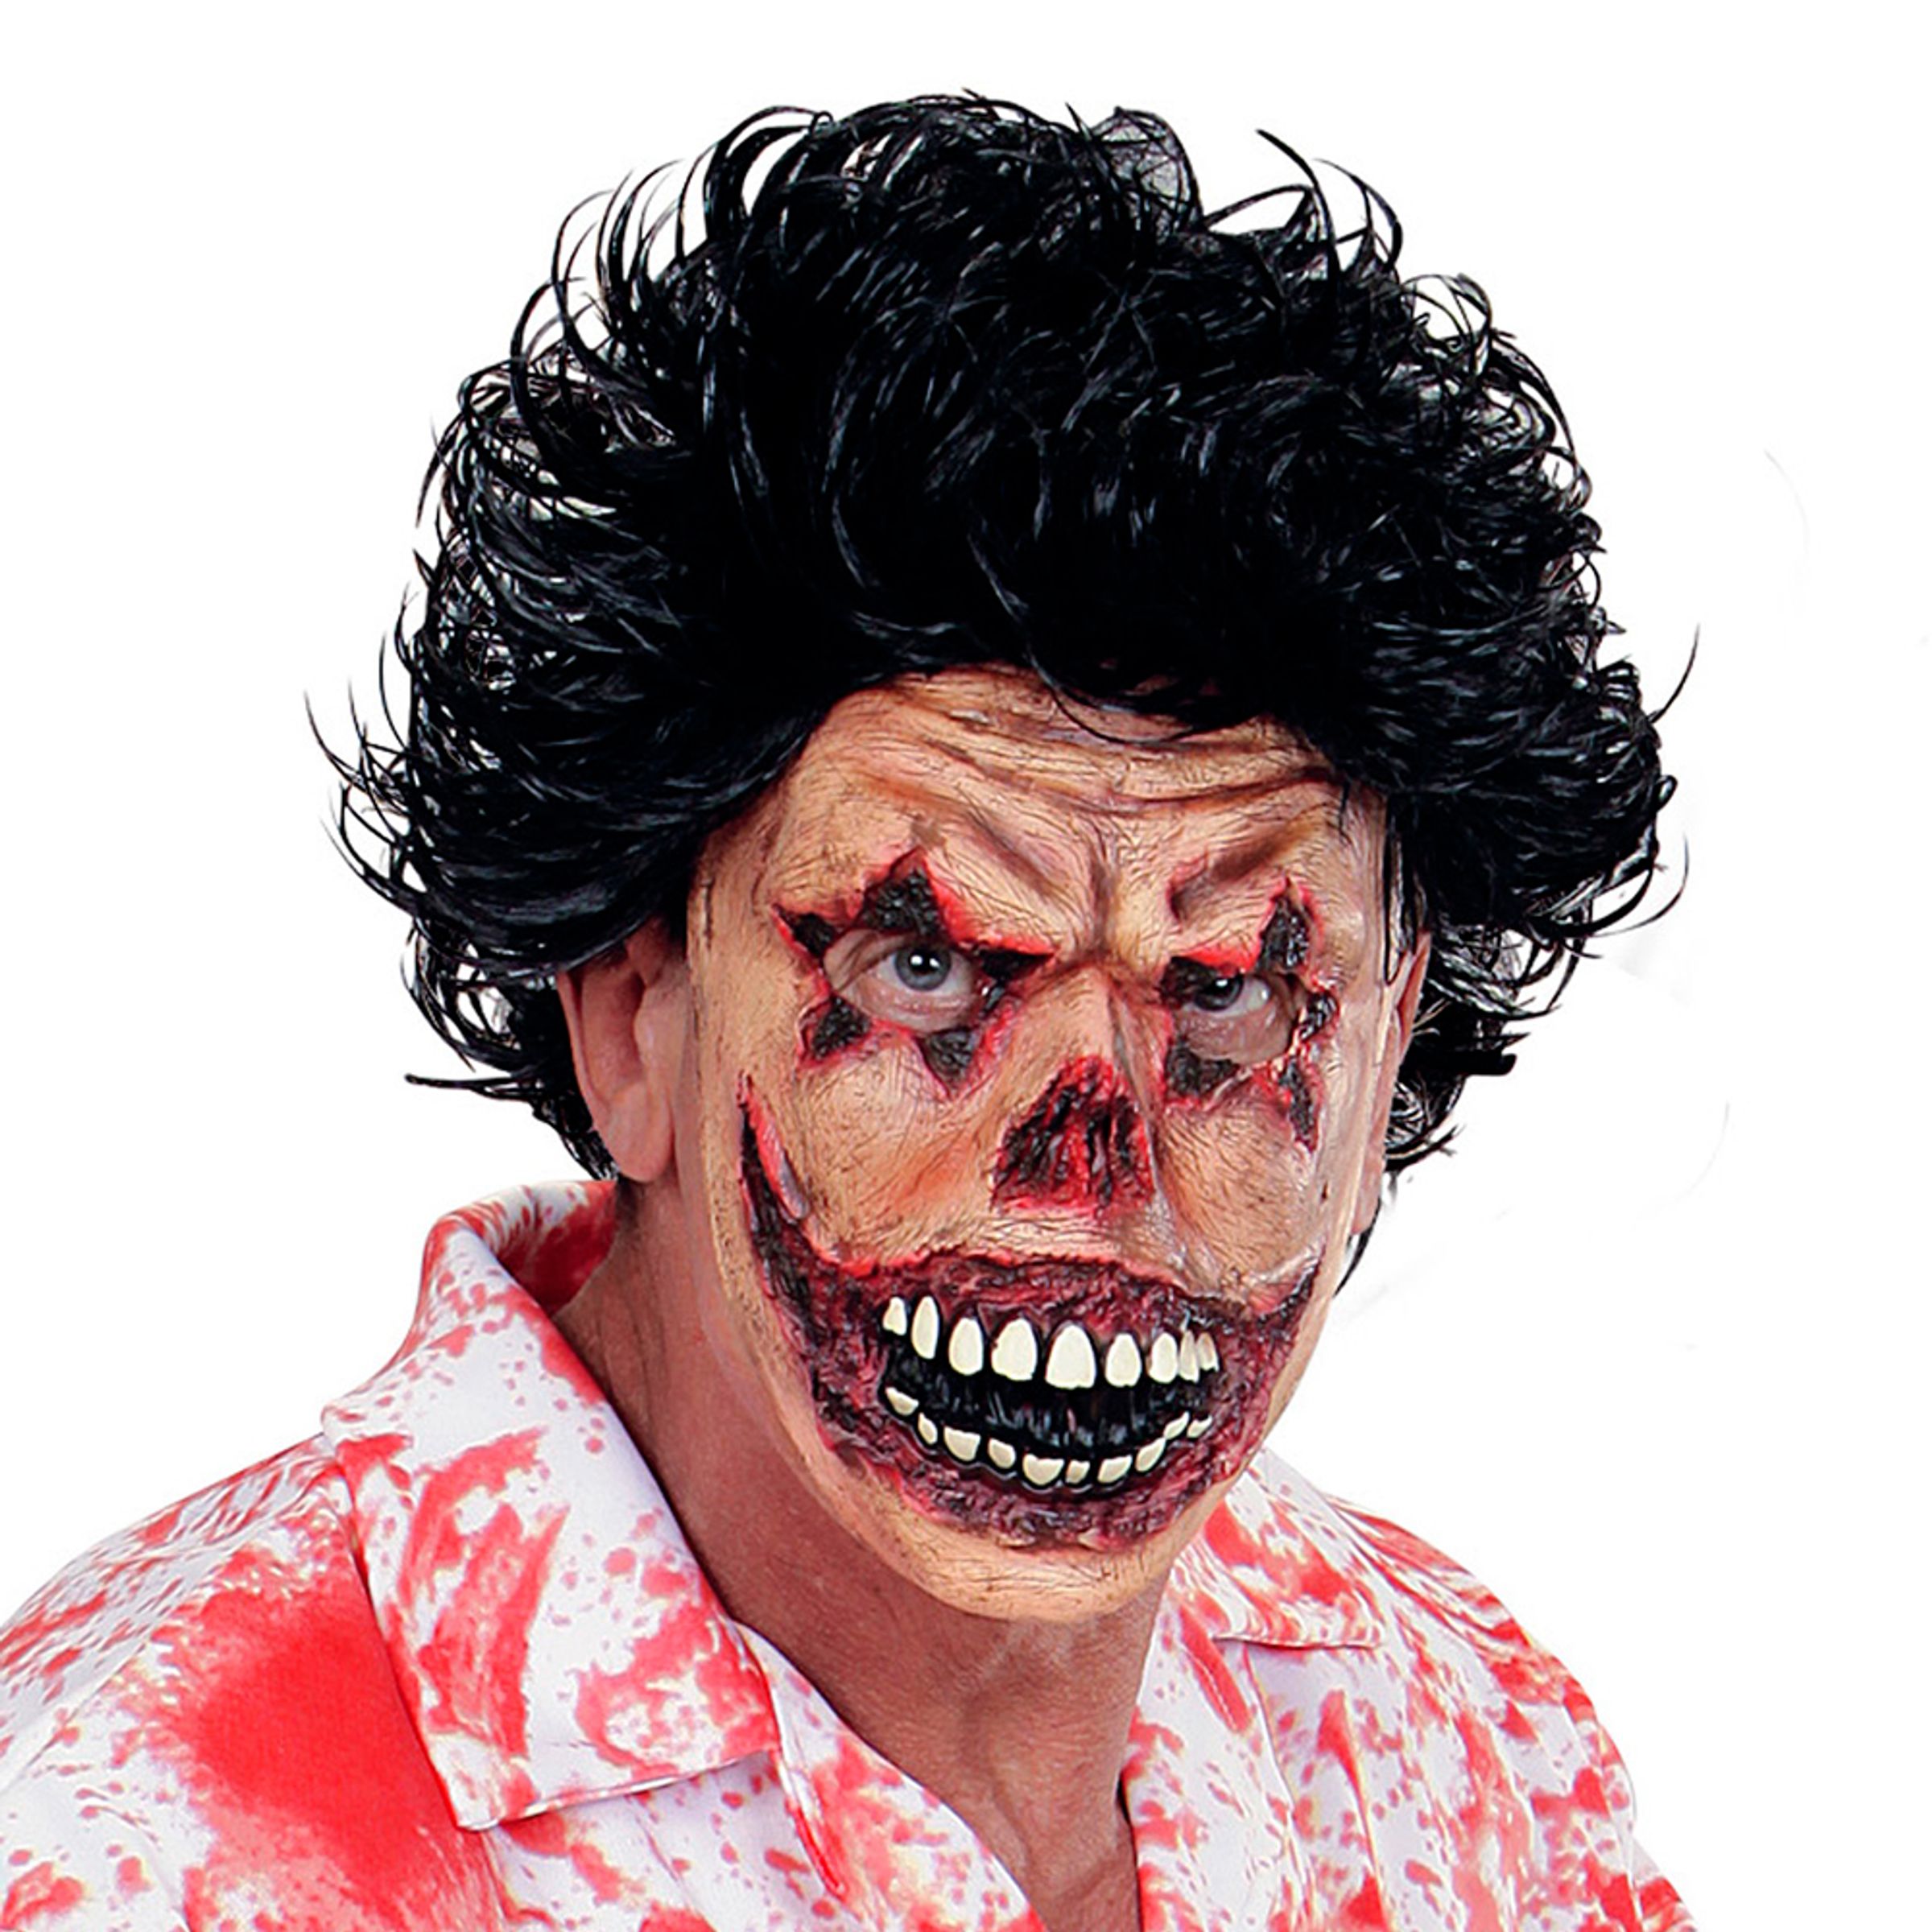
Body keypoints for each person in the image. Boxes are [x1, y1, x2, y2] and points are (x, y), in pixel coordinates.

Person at [0, 97, 1690, 1931]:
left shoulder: (1458, 1748)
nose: (1093, 1165)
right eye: (931, 967)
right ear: (632, 1012)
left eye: (1227, 990)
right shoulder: (144, 1843)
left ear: (1386, 1047)